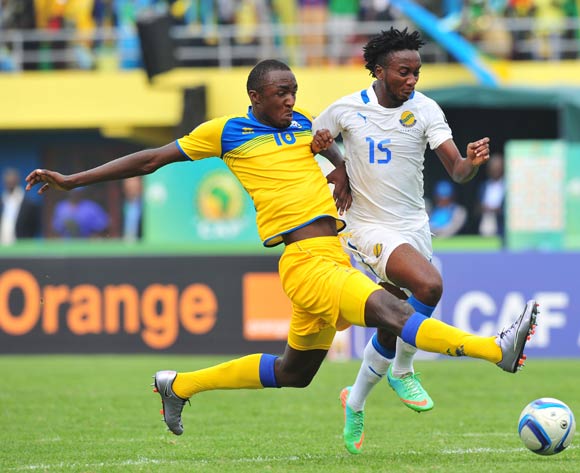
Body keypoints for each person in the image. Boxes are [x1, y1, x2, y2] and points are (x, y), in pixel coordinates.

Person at [26, 59, 537, 444]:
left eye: (293, 91)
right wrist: (72, 180)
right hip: (305, 262)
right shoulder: (226, 132)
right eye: (279, 93)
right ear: (254, 96)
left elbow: (331, 150)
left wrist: (337, 165)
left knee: (295, 373)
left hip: (331, 255)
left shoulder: (302, 126)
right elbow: (151, 159)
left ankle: (177, 385)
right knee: (394, 309)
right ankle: (496, 351)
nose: (290, 100)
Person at [312, 28, 498, 454]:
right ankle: (404, 370)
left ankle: (354, 399)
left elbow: (456, 170)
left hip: (413, 225)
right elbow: (309, 143)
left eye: (416, 72)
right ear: (378, 71)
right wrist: (337, 165)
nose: (412, 80)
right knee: (429, 285)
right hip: (367, 225)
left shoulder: (427, 110)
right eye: (403, 72)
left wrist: (470, 162)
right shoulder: (346, 109)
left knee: (394, 318)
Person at [0, 167, 41, 244]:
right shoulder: (2, 201)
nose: (9, 182)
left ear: (17, 181)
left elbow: (35, 227)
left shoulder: (29, 204)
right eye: (7, 180)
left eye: (12, 180)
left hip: (22, 249)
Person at [476, 153, 505, 239]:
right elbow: (476, 209)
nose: (495, 170)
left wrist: (498, 210)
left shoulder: (510, 186)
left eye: (497, 167)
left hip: (502, 229)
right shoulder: (483, 186)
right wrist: (483, 208)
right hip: (485, 227)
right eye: (492, 167)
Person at [121, 176, 143, 241]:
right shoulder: (122, 206)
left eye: (134, 186)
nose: (131, 188)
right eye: (128, 186)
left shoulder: (147, 208)